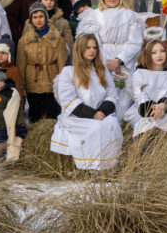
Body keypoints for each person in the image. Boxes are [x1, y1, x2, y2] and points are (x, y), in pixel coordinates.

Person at [50, 34, 124, 170]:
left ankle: (108, 165)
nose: (92, 51)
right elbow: (69, 100)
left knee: (112, 125)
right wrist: (92, 114)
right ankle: (91, 167)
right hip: (77, 117)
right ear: (80, 49)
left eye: (94, 47)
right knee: (96, 128)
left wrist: (102, 111)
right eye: (88, 47)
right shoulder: (68, 72)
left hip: (101, 114)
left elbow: (112, 94)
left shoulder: (101, 70)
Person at [17, 2, 68, 122]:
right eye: (35, 17)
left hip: (51, 81)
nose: (38, 20)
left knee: (52, 116)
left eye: (41, 16)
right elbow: (21, 65)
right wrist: (21, 86)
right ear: (31, 20)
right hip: (32, 82)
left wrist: (62, 84)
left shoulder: (57, 39)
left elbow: (63, 64)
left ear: (46, 17)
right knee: (35, 115)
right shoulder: (24, 41)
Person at [92, 0, 145, 77]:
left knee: (123, 86)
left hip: (124, 60)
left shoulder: (130, 15)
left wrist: (119, 60)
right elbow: (94, 40)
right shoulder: (95, 15)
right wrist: (105, 61)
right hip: (102, 60)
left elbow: (135, 41)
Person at [0, 36, 24, 101]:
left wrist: (19, 103)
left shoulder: (14, 70)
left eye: (3, 53)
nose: (0, 55)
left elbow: (18, 89)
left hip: (8, 102)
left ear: (10, 55)